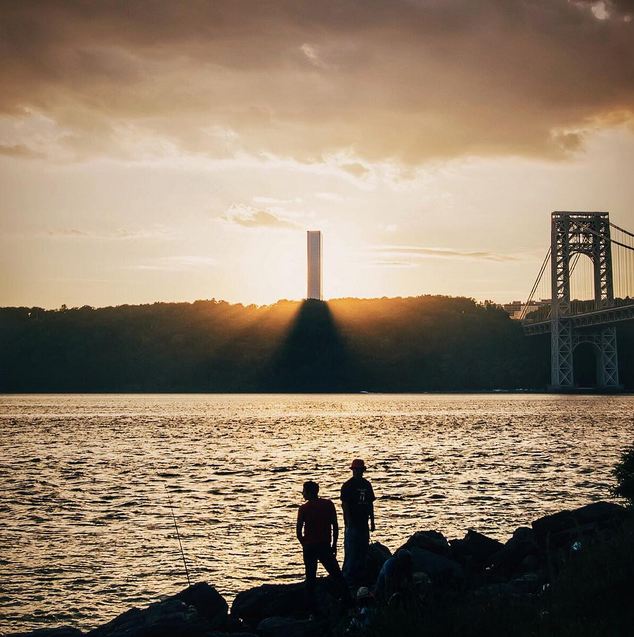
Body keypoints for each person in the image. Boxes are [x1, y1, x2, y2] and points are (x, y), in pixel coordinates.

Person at [296, 480, 351, 613]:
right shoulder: (328, 504)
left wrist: (305, 544)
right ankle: (348, 601)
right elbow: (335, 526)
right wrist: (334, 544)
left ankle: (312, 611)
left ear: (309, 493)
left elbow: (298, 532)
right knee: (337, 575)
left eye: (304, 491)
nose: (303, 494)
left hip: (310, 547)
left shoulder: (303, 509)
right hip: (324, 546)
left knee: (310, 579)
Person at [340, 458, 376, 585]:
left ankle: (359, 577)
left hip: (363, 524)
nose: (358, 472)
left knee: (362, 551)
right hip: (353, 524)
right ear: (353, 470)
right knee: (351, 552)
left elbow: (370, 504)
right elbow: (345, 505)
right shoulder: (348, 486)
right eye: (356, 470)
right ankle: (348, 579)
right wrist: (348, 522)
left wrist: (372, 521)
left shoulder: (367, 484)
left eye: (360, 470)